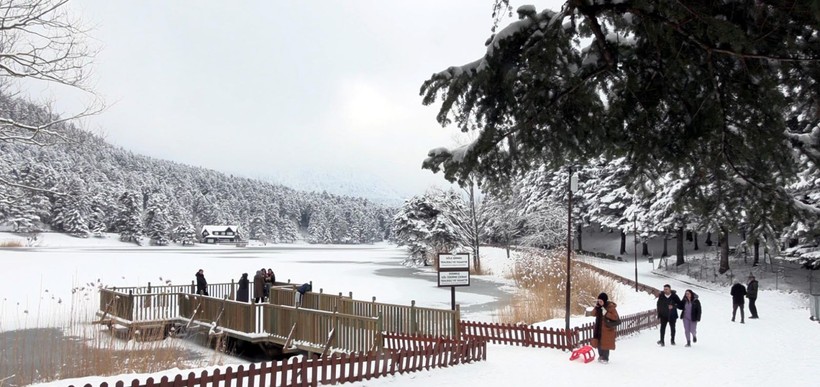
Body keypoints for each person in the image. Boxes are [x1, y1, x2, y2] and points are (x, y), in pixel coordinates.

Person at [591, 292, 619, 364]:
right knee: (599, 343)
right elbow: (593, 314)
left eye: (601, 301)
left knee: (605, 344)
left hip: (607, 329)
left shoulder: (610, 307)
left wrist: (606, 313)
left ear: (604, 300)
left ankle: (605, 358)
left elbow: (615, 317)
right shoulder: (599, 307)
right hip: (599, 328)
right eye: (598, 301)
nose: (599, 302)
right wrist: (596, 307)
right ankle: (601, 356)